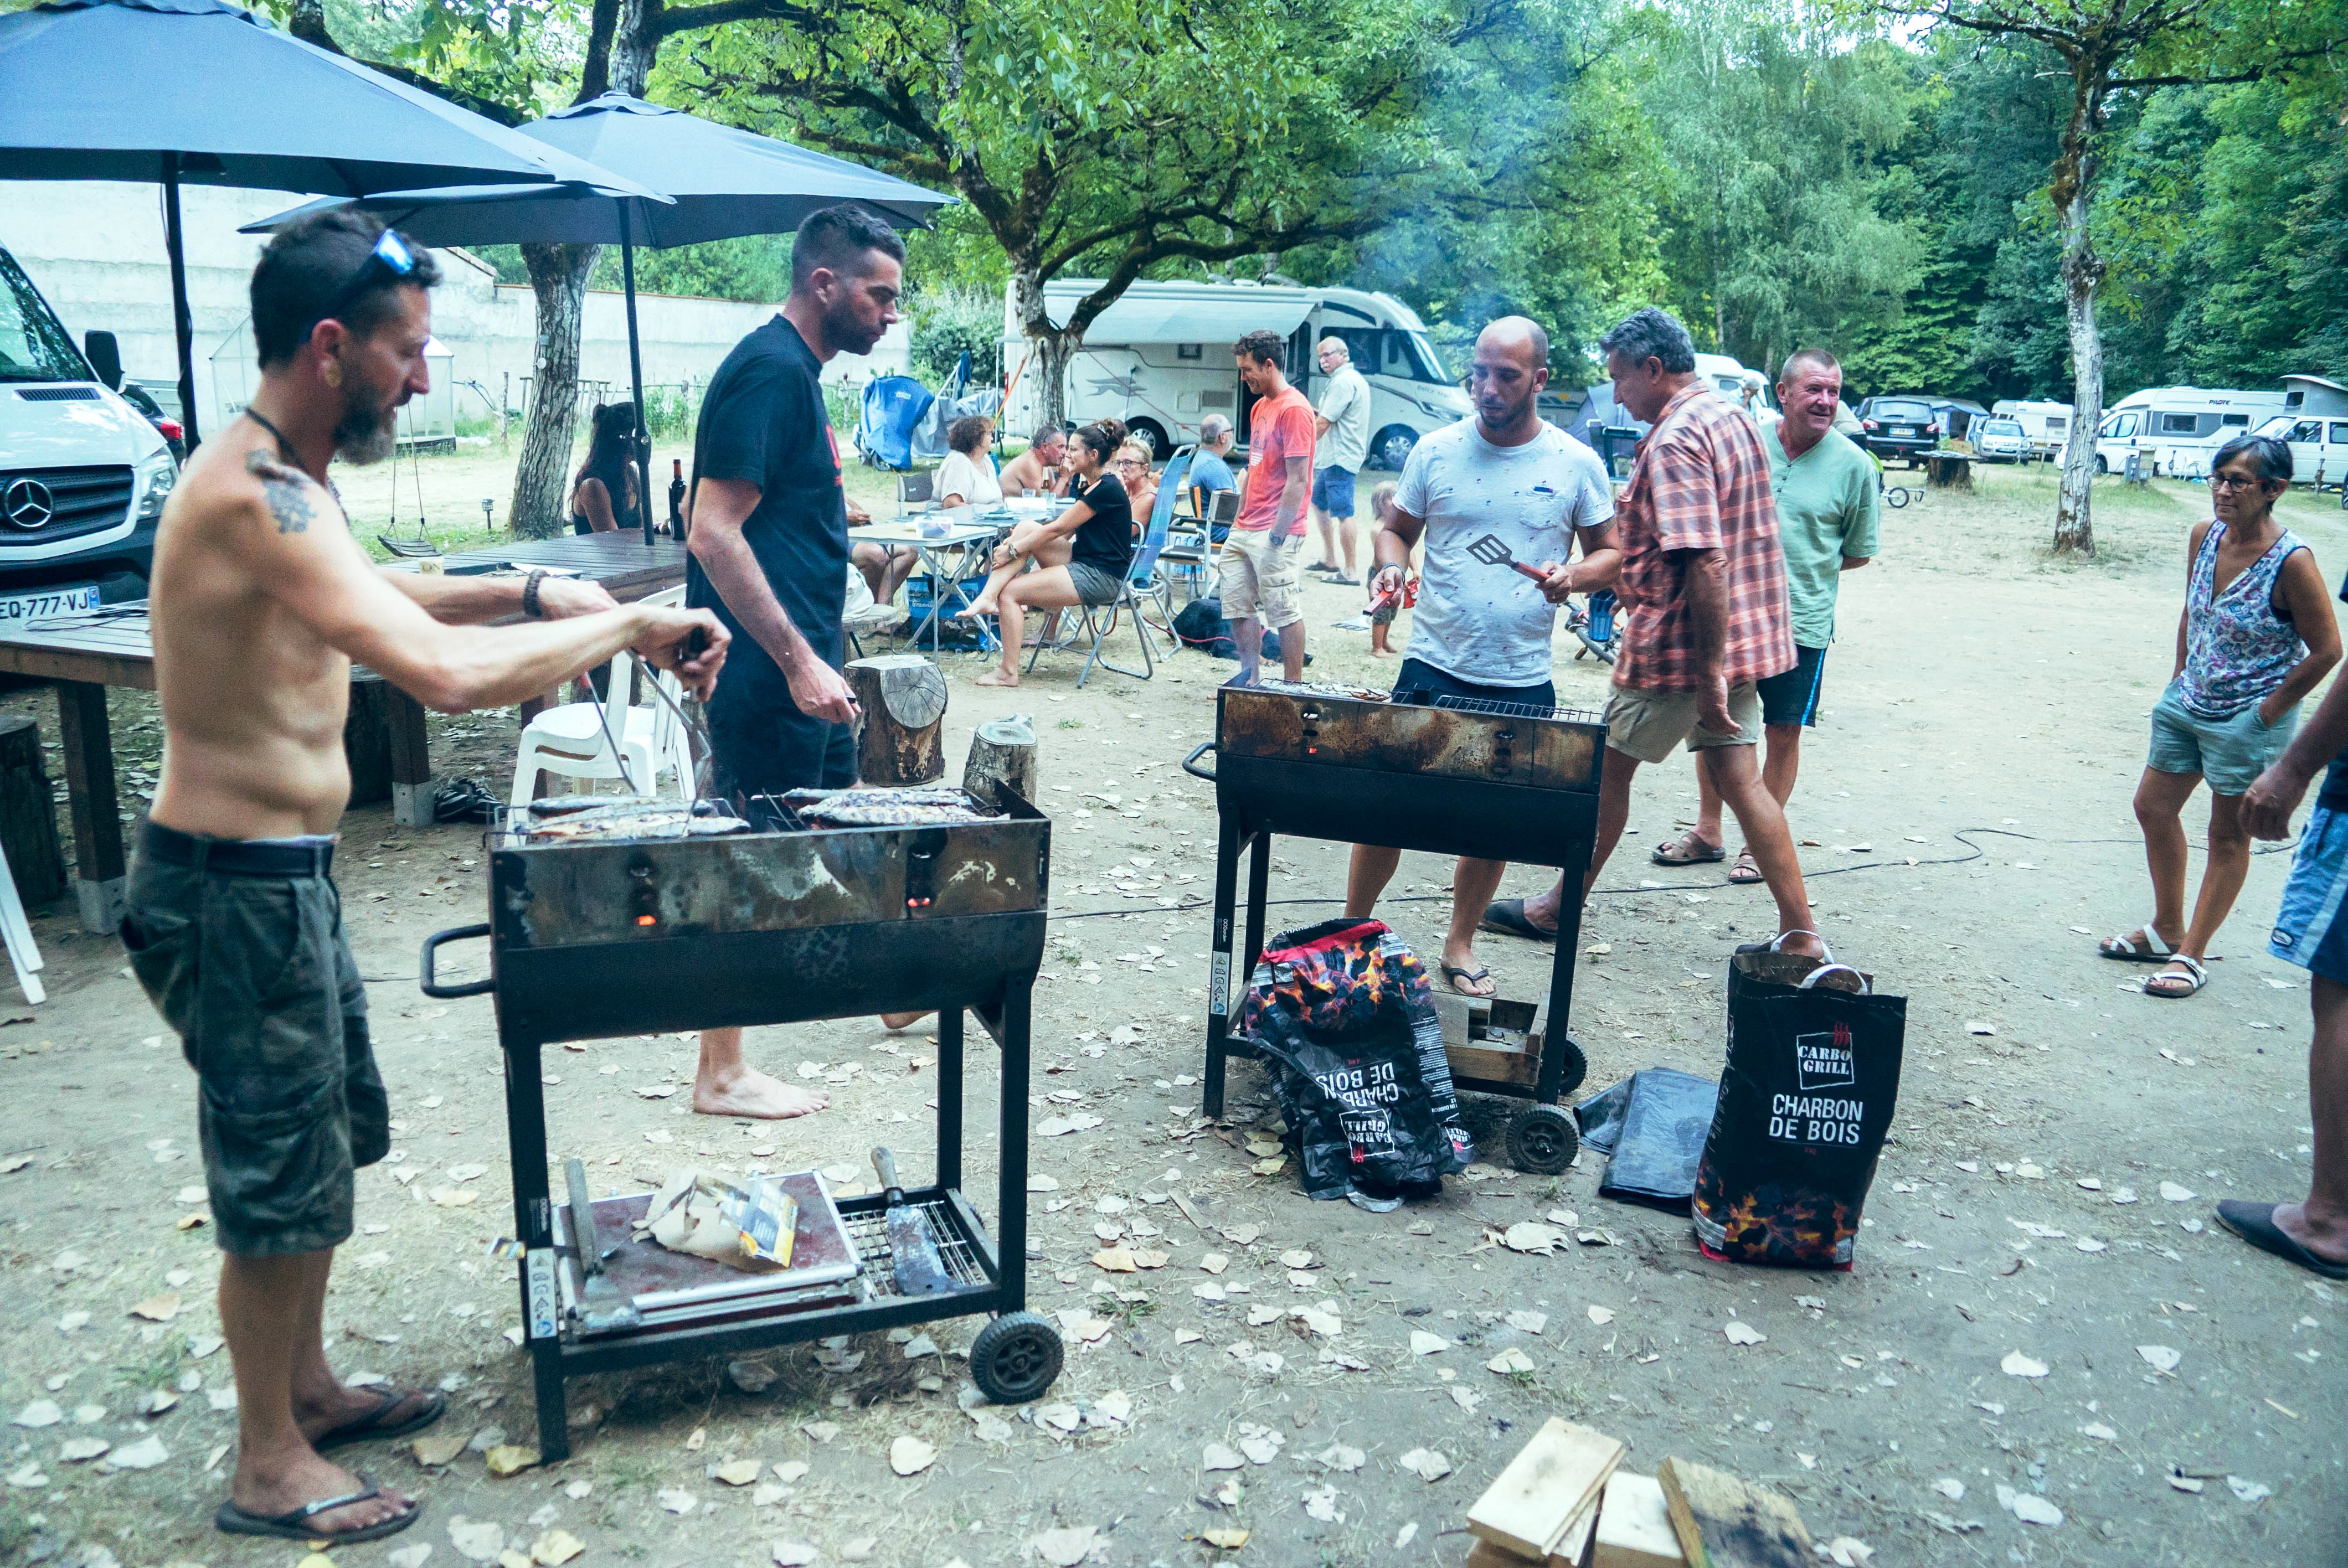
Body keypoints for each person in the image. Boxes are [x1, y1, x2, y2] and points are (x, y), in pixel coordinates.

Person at [124, 212, 727, 1548]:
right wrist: (626, 615)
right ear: (332, 347)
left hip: (275, 879)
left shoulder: (289, 476)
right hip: (228, 888)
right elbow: (434, 677)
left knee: (324, 1147)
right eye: (409, 351)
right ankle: (268, 1459)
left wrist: (530, 590)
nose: (426, 375)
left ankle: (310, 1387)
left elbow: (382, 593)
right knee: (277, 1171)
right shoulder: (249, 490)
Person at [1481, 306, 1823, 960]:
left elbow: (1705, 560)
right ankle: (1802, 936)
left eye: (1619, 378)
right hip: (1740, 642)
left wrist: (1707, 674)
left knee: (1604, 774)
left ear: (1654, 368)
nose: (1615, 394)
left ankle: (1558, 908)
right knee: (1742, 780)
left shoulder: (1673, 441)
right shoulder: (1732, 417)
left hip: (1683, 650)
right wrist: (1591, 577)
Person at [684, 204, 903, 1118]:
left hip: (811, 668)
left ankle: (893, 987)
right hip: (773, 677)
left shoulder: (798, 375)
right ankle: (720, 1070)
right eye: (879, 294)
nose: (891, 314)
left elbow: (770, 518)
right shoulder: (770, 372)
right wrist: (798, 662)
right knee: (749, 859)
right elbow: (712, 529)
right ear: (826, 283)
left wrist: (835, 543)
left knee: (840, 821)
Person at [1345, 318, 1619, 996]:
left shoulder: (1574, 462)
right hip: (1432, 662)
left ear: (1540, 379)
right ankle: (1351, 931)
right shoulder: (1436, 451)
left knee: (1492, 823)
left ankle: (1460, 940)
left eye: (1507, 376)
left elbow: (1610, 553)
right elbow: (1396, 531)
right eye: (1480, 373)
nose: (1487, 389)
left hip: (1520, 674)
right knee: (1388, 809)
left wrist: (1573, 578)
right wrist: (1388, 570)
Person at [2101, 435, 2336, 999]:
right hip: (2188, 703)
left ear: (2273, 490)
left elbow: (2328, 650)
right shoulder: (2204, 537)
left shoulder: (2292, 562)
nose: (2223, 490)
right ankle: (2164, 928)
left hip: (2246, 718)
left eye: (2237, 481)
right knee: (2152, 808)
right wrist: (2178, 679)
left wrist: (2264, 715)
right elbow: (2193, 608)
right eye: (2218, 477)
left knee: (2227, 836)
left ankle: (2191, 955)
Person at [1657, 350, 1879, 885]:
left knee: (1783, 732)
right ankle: (1709, 832)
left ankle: (1761, 842)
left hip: (1802, 622)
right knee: (1719, 724)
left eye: (1833, 391)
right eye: (1814, 390)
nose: (1826, 401)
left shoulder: (1854, 466)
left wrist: (1802, 570)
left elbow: (1857, 552)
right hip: (1731, 614)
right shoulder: (1748, 443)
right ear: (1783, 393)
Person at [2232, 454, 2348, 1278]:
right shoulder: (2211, 540)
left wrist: (2293, 765)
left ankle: (2331, 1218)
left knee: (2342, 987)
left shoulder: (2293, 557)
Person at [965, 422, 1133, 687]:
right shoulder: (1090, 484)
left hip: (1101, 577)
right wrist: (1027, 548)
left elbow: (1058, 528)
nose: (1067, 454)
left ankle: (1008, 672)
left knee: (1011, 593)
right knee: (1027, 527)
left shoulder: (1107, 489)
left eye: (1074, 449)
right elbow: (1060, 533)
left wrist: (1013, 549)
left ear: (1093, 455)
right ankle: (987, 597)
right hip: (1084, 560)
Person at [1222, 328, 1315, 684]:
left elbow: (1299, 479)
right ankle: (1251, 680)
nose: (1243, 377)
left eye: (1247, 370)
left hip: (1276, 531)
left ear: (1269, 364)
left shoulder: (1294, 409)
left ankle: (1294, 688)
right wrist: (1238, 521)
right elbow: (1254, 468)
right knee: (1237, 607)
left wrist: (1277, 536)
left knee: (1284, 611)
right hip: (1245, 528)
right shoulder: (1260, 406)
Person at [1306, 336, 1372, 581]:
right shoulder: (1347, 380)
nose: (1323, 360)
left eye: (1328, 355)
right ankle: (1330, 559)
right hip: (1335, 456)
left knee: (1344, 513)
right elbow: (1328, 416)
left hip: (1339, 457)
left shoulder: (1343, 382)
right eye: (1320, 356)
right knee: (1319, 502)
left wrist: (1299, 446)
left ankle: (1351, 571)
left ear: (1343, 355)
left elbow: (1323, 423)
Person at [570, 402, 642, 534]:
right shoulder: (593, 486)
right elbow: (613, 541)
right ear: (627, 438)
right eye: (640, 434)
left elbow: (645, 530)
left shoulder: (631, 475)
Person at [998, 422, 1070, 499]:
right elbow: (1047, 503)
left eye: (1065, 447)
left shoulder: (1046, 466)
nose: (1065, 452)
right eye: (1060, 447)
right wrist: (1063, 479)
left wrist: (1068, 480)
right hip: (1007, 509)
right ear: (1045, 448)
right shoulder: (1028, 464)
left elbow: (1060, 500)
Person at [1191, 412, 1238, 514]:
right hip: (1224, 529)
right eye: (1231, 430)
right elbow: (1231, 510)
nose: (1232, 434)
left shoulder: (1202, 458)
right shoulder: (1214, 467)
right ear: (1223, 437)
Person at [1114, 439, 1159, 527]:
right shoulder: (1127, 491)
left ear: (1144, 469)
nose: (1121, 469)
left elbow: (1123, 533)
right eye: (1118, 463)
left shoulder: (1148, 498)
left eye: (1128, 463)